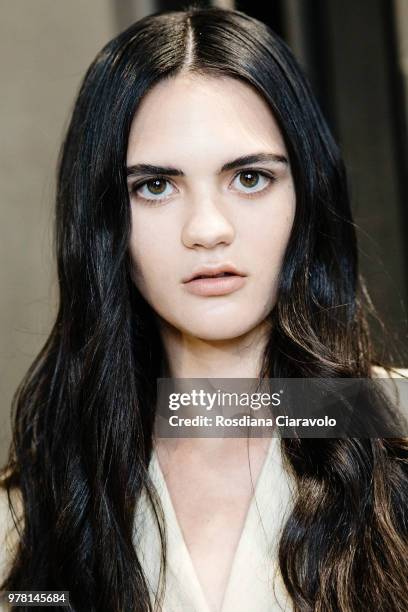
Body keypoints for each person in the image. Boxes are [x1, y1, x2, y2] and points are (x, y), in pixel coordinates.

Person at [1, 5, 407, 612]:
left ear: (308, 192)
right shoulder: (40, 504)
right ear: (104, 222)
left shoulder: (392, 430)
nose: (208, 229)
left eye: (249, 178)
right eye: (155, 186)